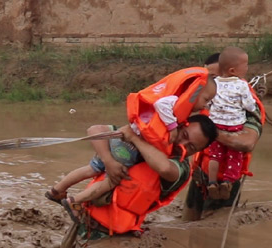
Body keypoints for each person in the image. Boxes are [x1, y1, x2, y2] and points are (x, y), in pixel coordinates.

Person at [45, 68, 216, 223]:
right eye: (184, 135)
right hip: (89, 219)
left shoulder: (181, 166)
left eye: (192, 147)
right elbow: (95, 130)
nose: (183, 144)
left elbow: (165, 169)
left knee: (92, 168)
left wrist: (132, 138)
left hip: (111, 225)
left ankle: (58, 190)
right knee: (110, 180)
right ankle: (74, 201)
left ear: (198, 152)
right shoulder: (172, 114)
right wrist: (109, 161)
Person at [181, 53, 267, 222]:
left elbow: (246, 143)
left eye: (214, 77)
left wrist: (209, 131)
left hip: (225, 181)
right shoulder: (207, 99)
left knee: (215, 229)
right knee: (187, 224)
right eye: (207, 78)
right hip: (200, 175)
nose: (209, 83)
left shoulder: (248, 108)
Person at [206, 47, 259, 200]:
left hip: (215, 126)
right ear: (232, 70)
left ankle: (211, 183)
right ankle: (228, 182)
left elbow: (208, 103)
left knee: (214, 156)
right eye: (246, 65)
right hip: (234, 127)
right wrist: (253, 103)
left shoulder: (213, 84)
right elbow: (249, 105)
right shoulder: (242, 85)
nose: (247, 68)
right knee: (234, 155)